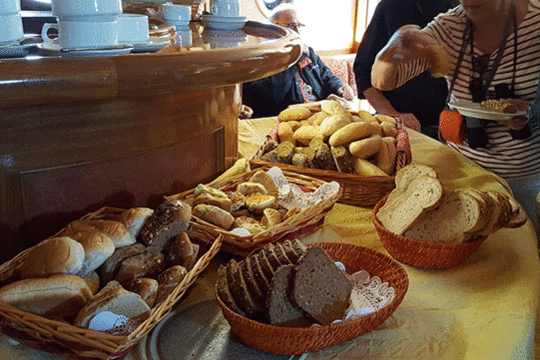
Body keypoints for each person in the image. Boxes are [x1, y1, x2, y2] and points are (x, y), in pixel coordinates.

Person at [370, 0, 540, 240]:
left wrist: (532, 110)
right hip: (462, 171)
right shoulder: (450, 26)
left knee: (520, 252)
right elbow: (383, 81)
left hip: (524, 178)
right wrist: (397, 43)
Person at [353, 0, 459, 139]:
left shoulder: (457, 9)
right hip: (398, 127)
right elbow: (363, 72)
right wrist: (392, 114)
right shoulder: (389, 6)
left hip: (447, 127)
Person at [241, 7, 356, 118]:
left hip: (319, 113)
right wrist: (291, 58)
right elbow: (272, 95)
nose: (296, 30)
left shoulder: (307, 52)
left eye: (299, 25)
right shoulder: (263, 58)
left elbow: (326, 76)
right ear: (273, 30)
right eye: (291, 25)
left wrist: (339, 89)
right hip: (289, 118)